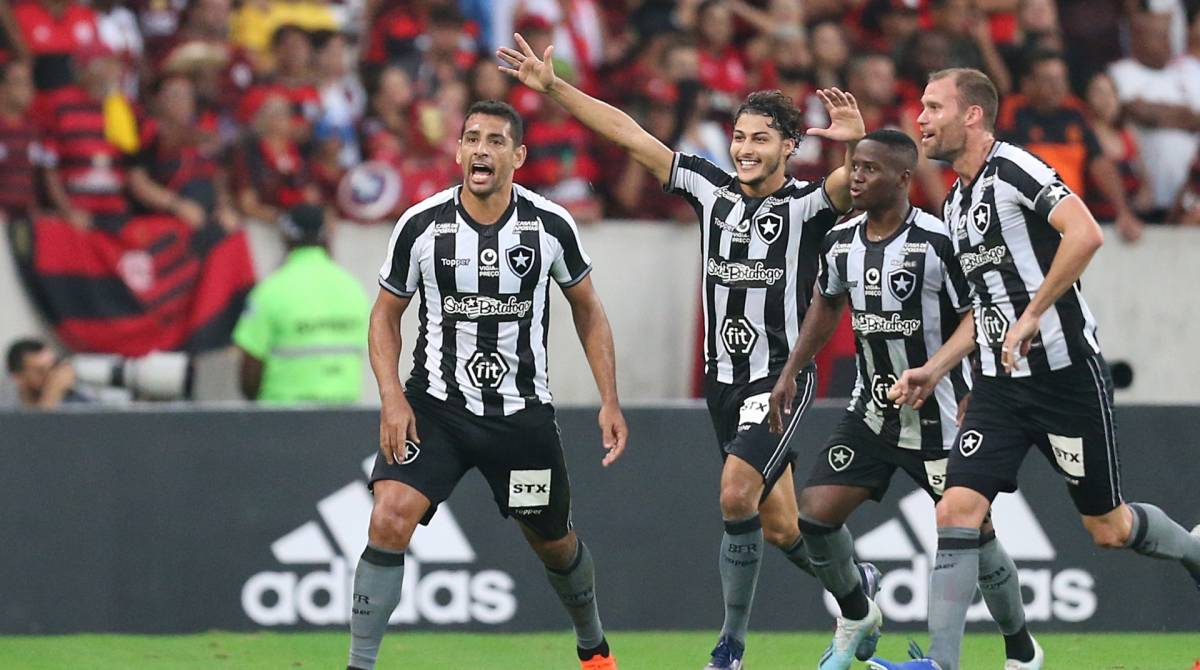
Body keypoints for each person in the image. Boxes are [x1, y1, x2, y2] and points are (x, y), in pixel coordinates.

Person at [499, 32, 877, 670]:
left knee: (735, 494)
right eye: (739, 136)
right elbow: (628, 133)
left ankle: (729, 644)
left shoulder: (812, 204)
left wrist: (856, 144)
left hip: (779, 381)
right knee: (782, 525)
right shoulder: (709, 190)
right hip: (723, 386)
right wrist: (556, 87)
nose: (745, 148)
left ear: (791, 145)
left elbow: (883, 175)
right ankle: (855, 596)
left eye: (761, 138)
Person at [867, 68, 1200, 670]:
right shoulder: (957, 201)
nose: (920, 118)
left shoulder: (1015, 168)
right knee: (955, 510)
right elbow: (983, 309)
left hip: (1065, 376)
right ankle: (941, 663)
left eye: (933, 106)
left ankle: (1195, 552)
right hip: (1000, 388)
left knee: (1110, 527)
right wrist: (938, 368)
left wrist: (1031, 315)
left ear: (972, 115)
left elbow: (1086, 233)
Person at [347, 100, 627, 670]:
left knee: (552, 540)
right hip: (436, 410)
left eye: (496, 140)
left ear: (518, 156)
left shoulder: (549, 225)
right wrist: (392, 398)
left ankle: (593, 646)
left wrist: (609, 399)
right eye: (472, 138)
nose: (481, 149)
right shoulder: (421, 225)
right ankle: (360, 663)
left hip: (519, 419)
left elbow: (588, 310)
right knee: (389, 514)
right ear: (457, 151)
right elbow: (384, 315)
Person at [767, 129, 1040, 670]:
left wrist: (952, 377)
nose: (857, 176)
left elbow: (979, 314)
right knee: (815, 520)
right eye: (853, 166)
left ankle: (1021, 650)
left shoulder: (940, 242)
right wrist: (792, 370)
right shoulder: (841, 240)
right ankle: (857, 610)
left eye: (869, 168)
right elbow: (825, 306)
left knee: (978, 541)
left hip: (938, 419)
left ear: (903, 179)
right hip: (869, 414)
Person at [231, 203, 366, 404]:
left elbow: (249, 375)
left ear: (286, 236)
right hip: (344, 416)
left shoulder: (270, 292)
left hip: (284, 419)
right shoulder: (354, 290)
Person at [5, 338, 86, 408]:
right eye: (41, 371)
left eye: (53, 367)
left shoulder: (79, 405)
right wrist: (51, 395)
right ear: (18, 377)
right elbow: (35, 425)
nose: (52, 375)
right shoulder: (6, 405)